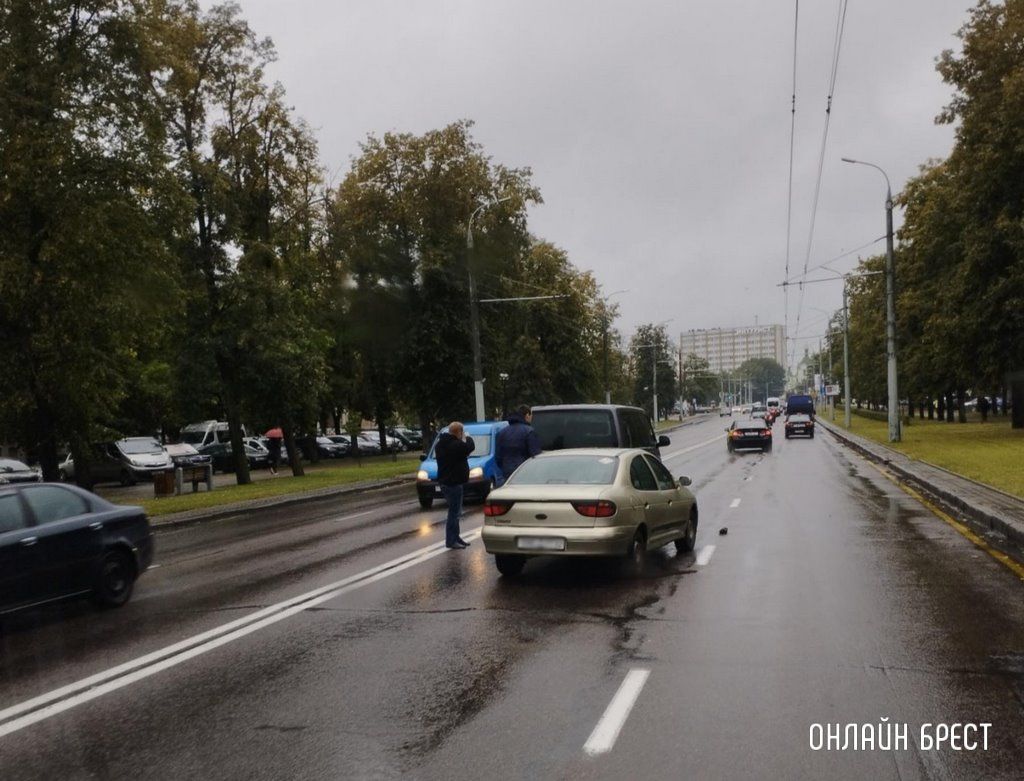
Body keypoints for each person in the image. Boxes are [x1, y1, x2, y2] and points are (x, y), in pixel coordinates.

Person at [434, 421, 475, 549]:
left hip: (446, 482)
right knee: (454, 513)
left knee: (455, 512)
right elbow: (470, 447)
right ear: (459, 432)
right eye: (461, 432)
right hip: (453, 483)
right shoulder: (455, 445)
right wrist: (467, 437)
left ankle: (456, 537)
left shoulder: (441, 444)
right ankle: (451, 540)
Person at [495, 404, 541, 484]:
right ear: (527, 415)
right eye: (531, 416)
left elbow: (498, 457)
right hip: (525, 471)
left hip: (507, 472)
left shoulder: (502, 432)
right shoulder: (529, 431)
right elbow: (535, 455)